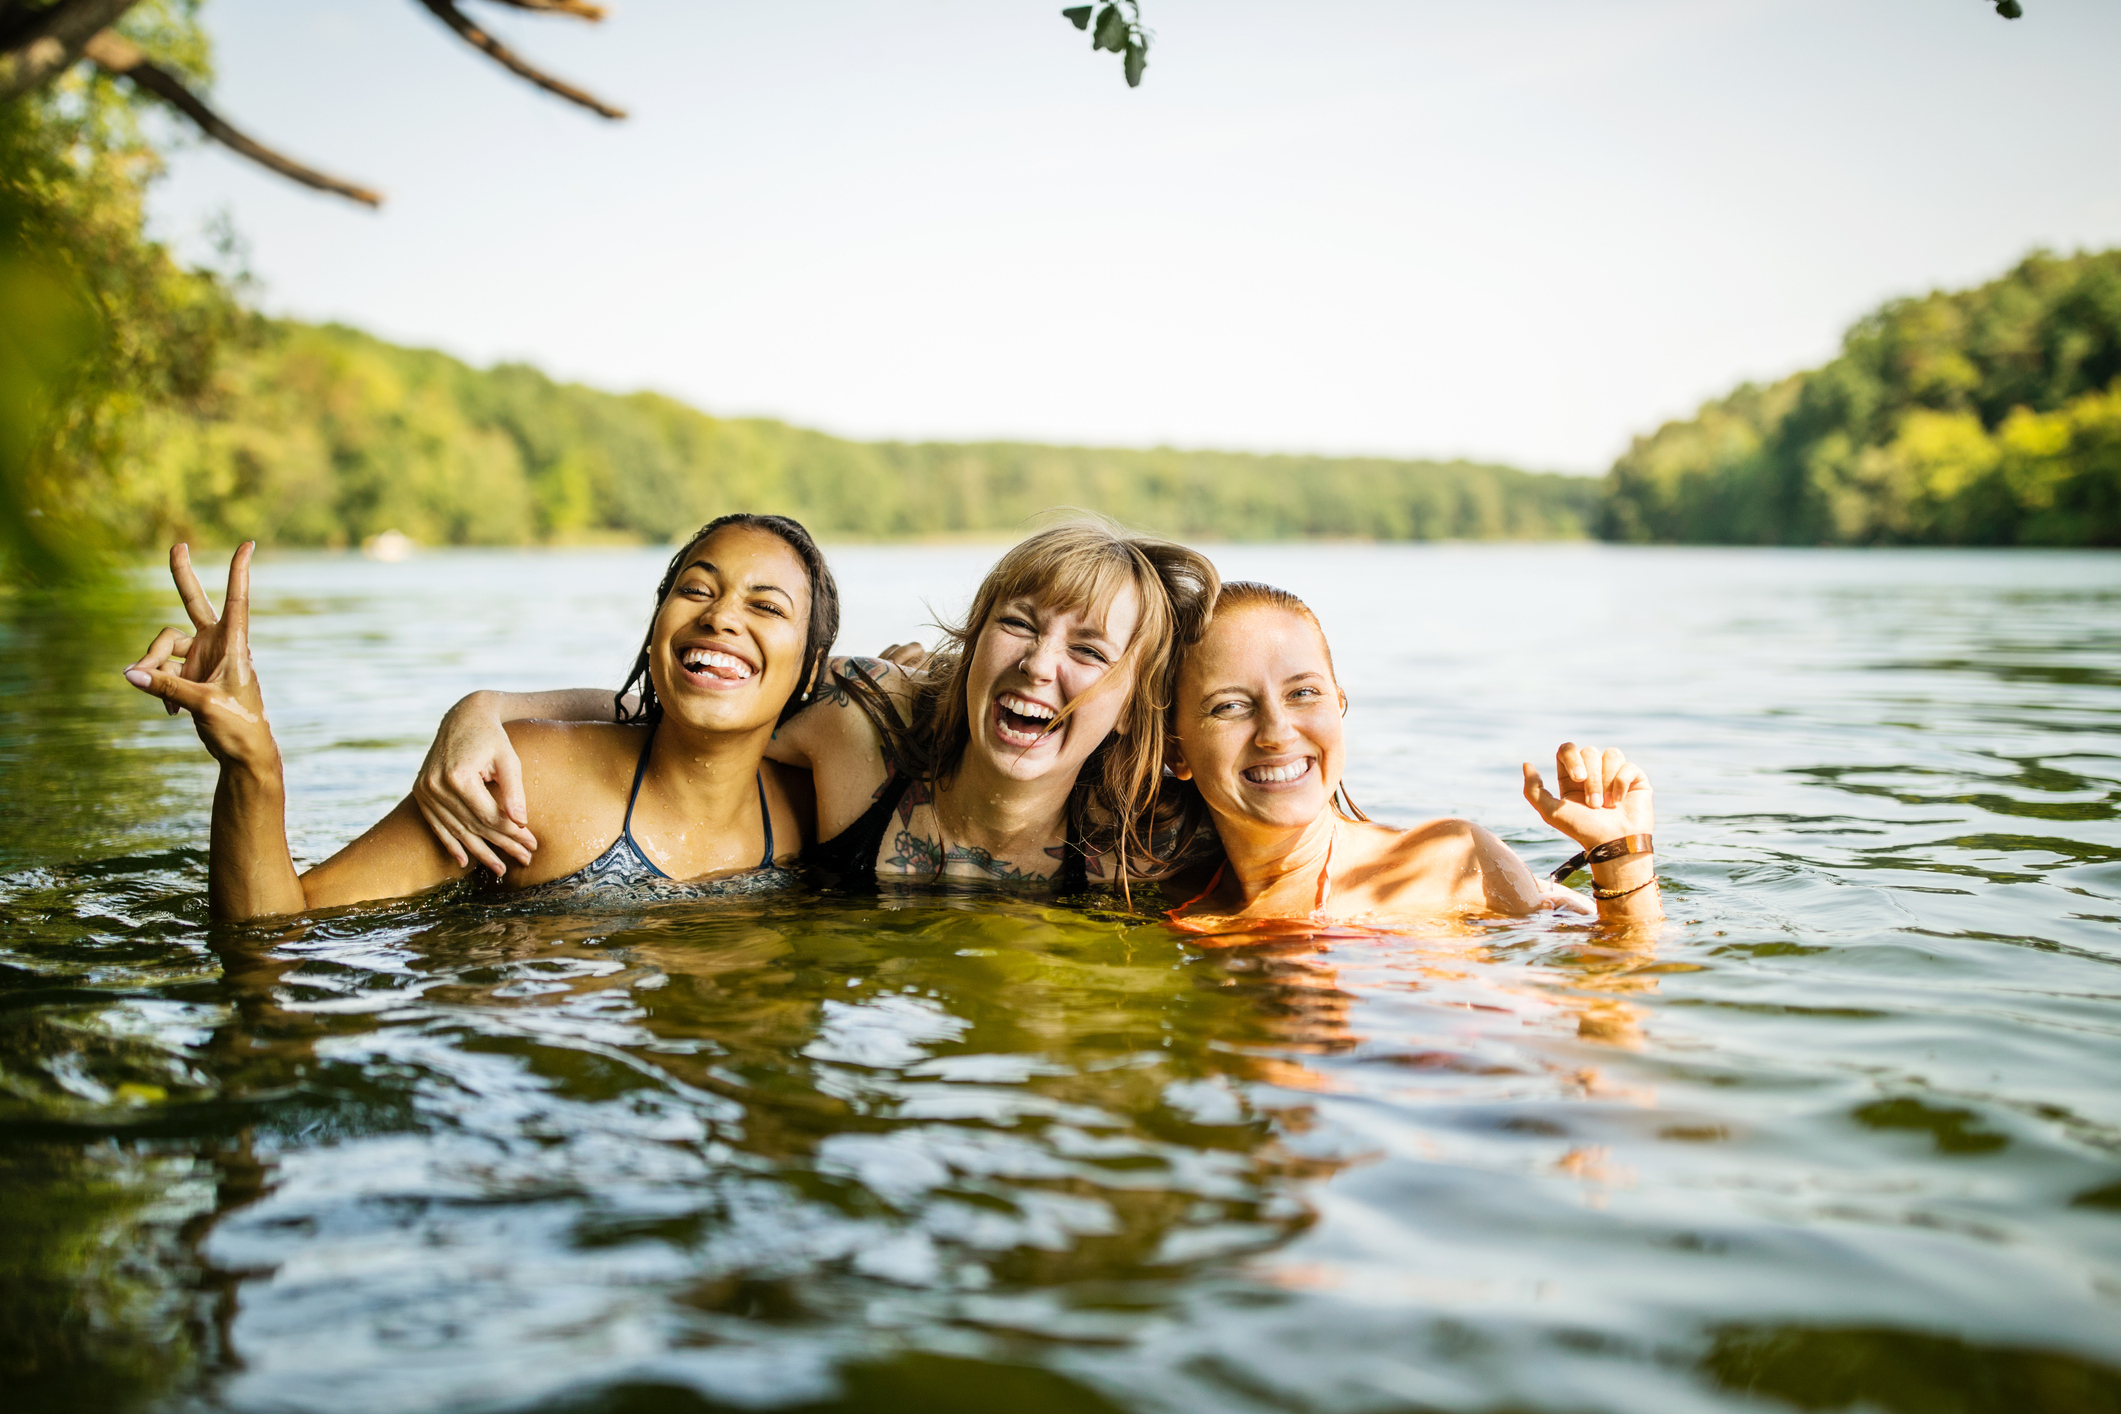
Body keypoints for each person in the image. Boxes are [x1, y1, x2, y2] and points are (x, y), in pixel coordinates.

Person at [413, 520, 1221, 895]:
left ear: (1128, 707)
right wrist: (487, 708)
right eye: (1016, 625)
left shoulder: (1146, 841)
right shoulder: (860, 727)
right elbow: (693, 708)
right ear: (973, 646)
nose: (1038, 666)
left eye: (1087, 651)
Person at [121, 514, 838, 921]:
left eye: (766, 606)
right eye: (694, 589)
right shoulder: (527, 777)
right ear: (657, 629)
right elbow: (279, 932)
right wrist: (252, 766)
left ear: (810, 667)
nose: (719, 618)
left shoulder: (821, 807)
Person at [1163, 582, 1661, 933]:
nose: (1276, 733)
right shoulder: (1183, 911)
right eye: (1230, 706)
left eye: (1303, 694)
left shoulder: (1450, 861)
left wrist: (1620, 856)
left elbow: (1623, 1002)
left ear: (1339, 706)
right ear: (1176, 751)